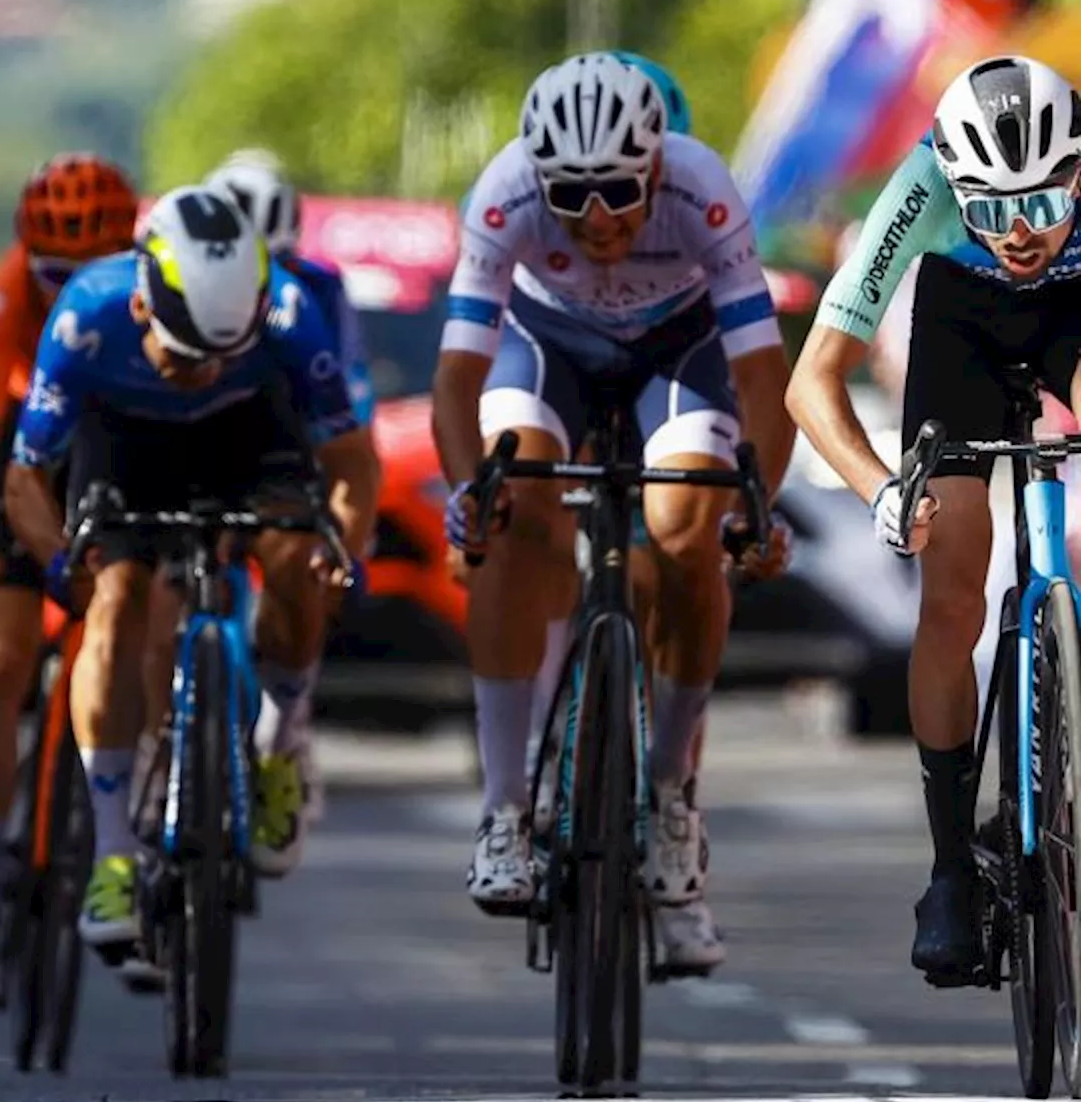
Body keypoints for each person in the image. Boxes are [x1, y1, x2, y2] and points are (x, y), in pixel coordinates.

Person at [433, 51, 795, 972]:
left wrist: (759, 500)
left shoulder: (703, 187)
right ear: (537, 175)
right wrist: (470, 492)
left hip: (678, 350)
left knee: (685, 530)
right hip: (545, 342)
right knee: (517, 512)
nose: (597, 219)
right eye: (573, 194)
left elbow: (759, 370)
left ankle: (670, 793)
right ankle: (506, 810)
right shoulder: (504, 192)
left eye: (619, 193)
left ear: (658, 166)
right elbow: (458, 375)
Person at [4, 184, 378, 962]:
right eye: (184, 354)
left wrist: (341, 545)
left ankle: (279, 743)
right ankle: (113, 855)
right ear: (143, 309)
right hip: (128, 444)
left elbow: (350, 463)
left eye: (221, 354)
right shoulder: (85, 314)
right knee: (116, 596)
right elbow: (26, 479)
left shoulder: (285, 312)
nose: (200, 370)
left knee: (294, 556)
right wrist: (60, 563)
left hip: (252, 436)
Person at [784, 54, 1081, 984]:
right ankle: (953, 865)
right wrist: (880, 490)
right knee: (951, 587)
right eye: (989, 211)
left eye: (1041, 205)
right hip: (963, 332)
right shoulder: (922, 185)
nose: (1019, 233)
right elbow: (811, 381)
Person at [0, 153, 139, 1004]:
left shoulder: (149, 288)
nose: (67, 289)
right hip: (30, 439)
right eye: (55, 274)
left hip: (117, 430)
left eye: (90, 272)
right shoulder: (9, 287)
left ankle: (141, 839)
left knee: (133, 630)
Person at [201, 148, 380, 820]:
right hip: (196, 430)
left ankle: (286, 727)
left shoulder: (313, 293)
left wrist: (341, 537)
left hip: (289, 431)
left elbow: (350, 409)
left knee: (300, 560)